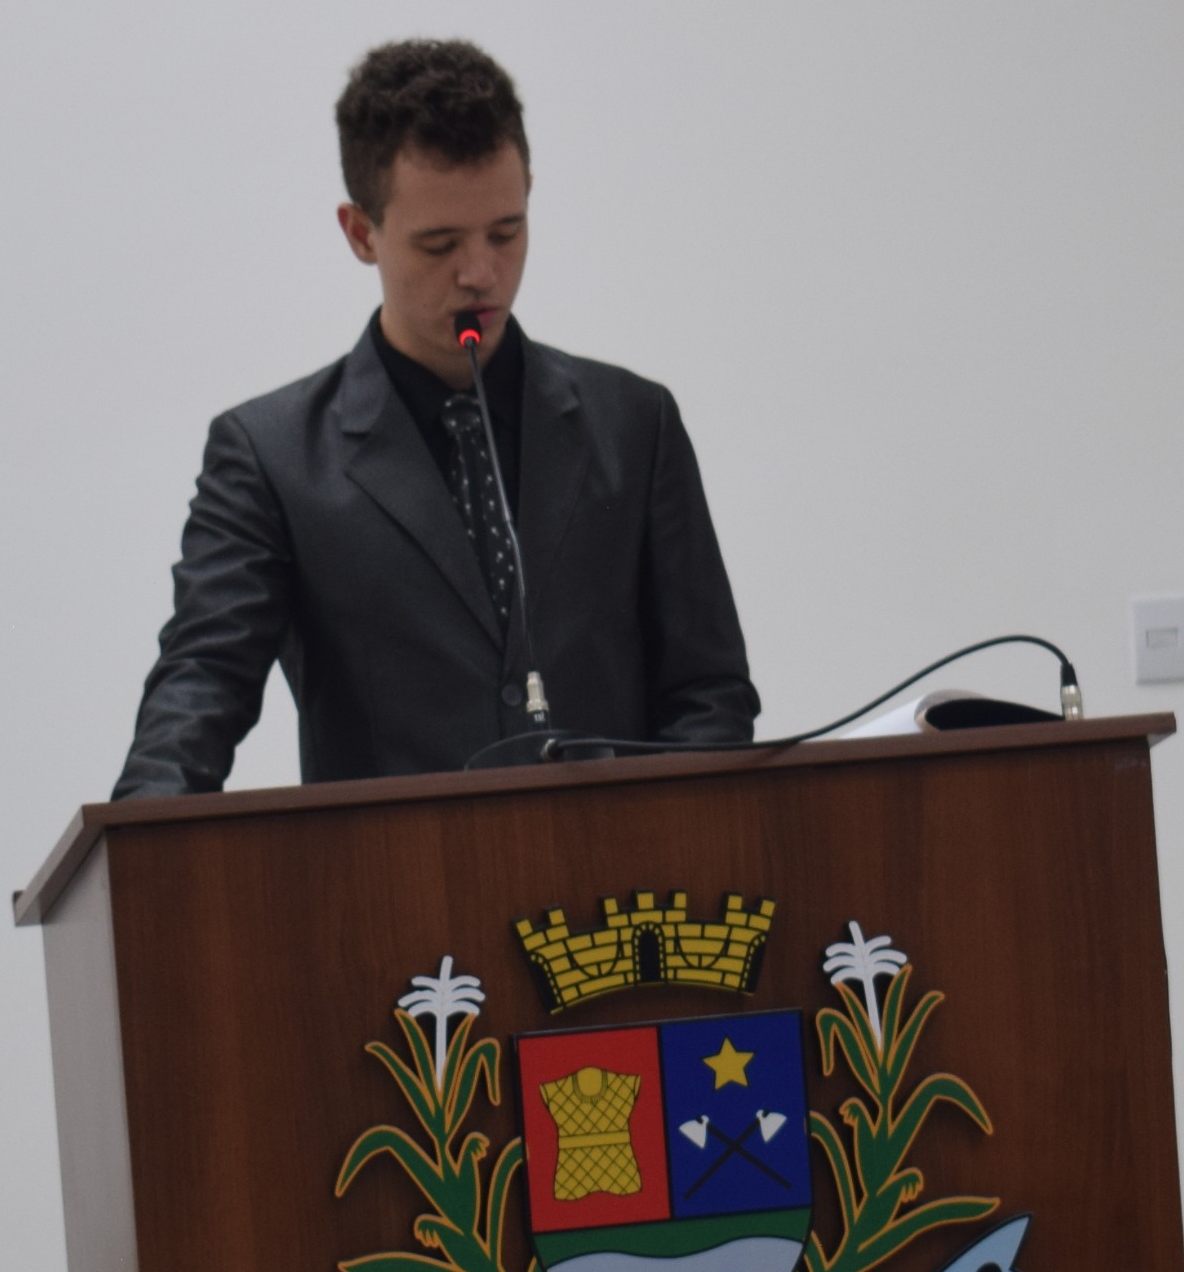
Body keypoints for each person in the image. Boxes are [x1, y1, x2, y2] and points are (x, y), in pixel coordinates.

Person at [112, 38, 757, 795]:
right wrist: (143, 836)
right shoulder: (270, 457)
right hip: (393, 870)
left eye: (506, 232)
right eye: (439, 244)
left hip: (617, 868)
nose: (481, 273)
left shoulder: (635, 424)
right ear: (360, 233)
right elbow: (201, 682)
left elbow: (708, 693)